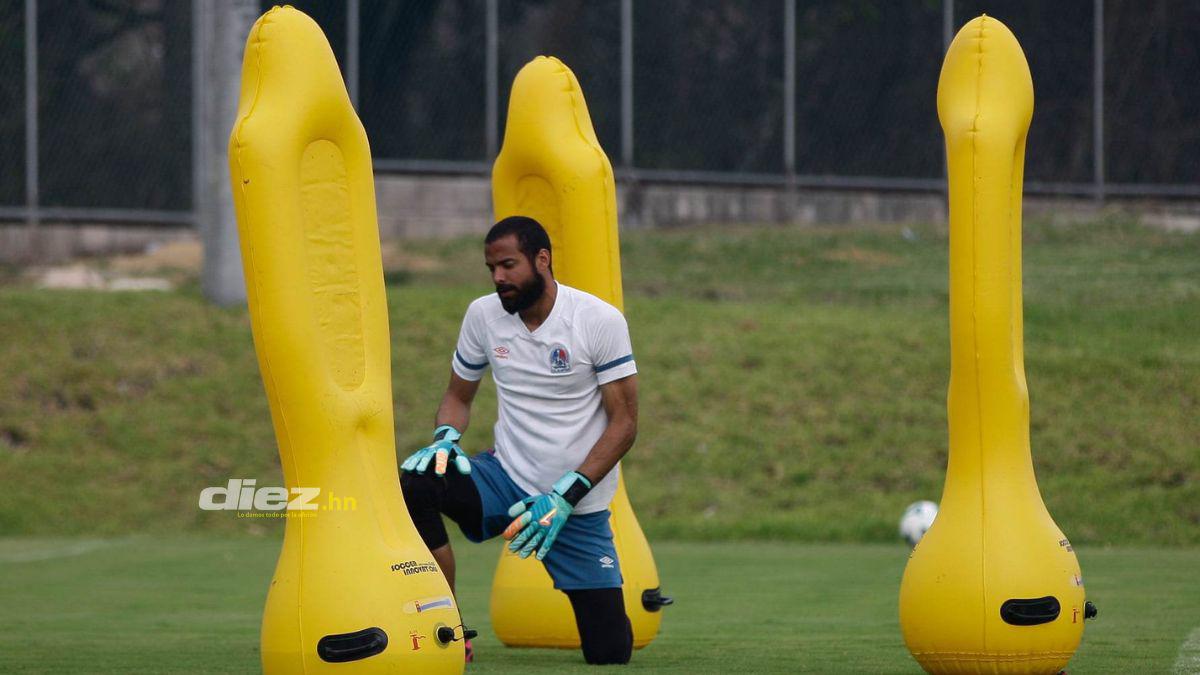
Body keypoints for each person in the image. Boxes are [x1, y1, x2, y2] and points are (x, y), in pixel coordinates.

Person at [399, 215, 639, 665]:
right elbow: (457, 396)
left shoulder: (598, 320)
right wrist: (445, 438)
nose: (498, 278)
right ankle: (448, 625)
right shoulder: (482, 315)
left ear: (542, 259)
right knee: (417, 482)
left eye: (508, 265)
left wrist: (565, 496)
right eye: (491, 268)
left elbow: (624, 424)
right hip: (503, 478)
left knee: (610, 652)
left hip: (574, 504)